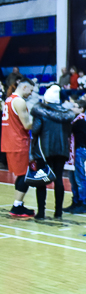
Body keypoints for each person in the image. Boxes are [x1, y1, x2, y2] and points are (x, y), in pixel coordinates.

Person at [31, 85, 80, 220]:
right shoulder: (66, 114)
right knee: (58, 180)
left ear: (46, 99)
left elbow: (35, 130)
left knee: (42, 181)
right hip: (61, 150)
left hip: (44, 151)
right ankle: (58, 212)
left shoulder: (40, 111)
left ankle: (41, 213)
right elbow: (69, 132)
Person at [2, 77, 36, 217]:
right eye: (31, 90)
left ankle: (18, 204)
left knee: (22, 174)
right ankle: (17, 206)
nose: (31, 93)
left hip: (10, 141)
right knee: (25, 175)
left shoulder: (9, 99)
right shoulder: (19, 101)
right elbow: (27, 125)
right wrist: (40, 118)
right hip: (19, 142)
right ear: (24, 87)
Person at [65, 99, 86, 214]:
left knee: (80, 178)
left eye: (75, 106)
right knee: (73, 178)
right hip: (74, 152)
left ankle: (83, 203)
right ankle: (75, 202)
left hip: (79, 151)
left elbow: (70, 130)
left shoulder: (81, 121)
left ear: (81, 109)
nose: (72, 108)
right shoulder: (75, 120)